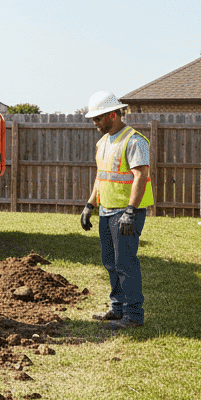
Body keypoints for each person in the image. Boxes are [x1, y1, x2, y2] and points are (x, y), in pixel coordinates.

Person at [79, 90, 154, 329]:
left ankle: (133, 316)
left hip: (126, 213)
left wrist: (131, 211)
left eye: (97, 119)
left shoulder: (134, 140)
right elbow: (101, 178)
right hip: (107, 211)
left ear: (112, 115)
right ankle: (117, 308)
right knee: (110, 262)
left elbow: (141, 175)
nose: (95, 124)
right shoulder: (102, 142)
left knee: (126, 263)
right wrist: (90, 205)